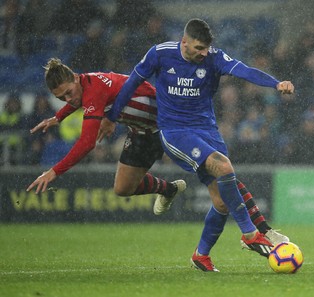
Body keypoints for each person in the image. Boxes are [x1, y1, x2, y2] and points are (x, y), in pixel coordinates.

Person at [98, 18, 294, 272]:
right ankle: (250, 234)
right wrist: (111, 117)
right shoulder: (160, 54)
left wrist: (275, 83)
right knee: (224, 167)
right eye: (199, 48)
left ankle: (201, 255)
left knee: (222, 202)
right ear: (185, 42)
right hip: (175, 131)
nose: (204, 53)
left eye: (206, 48)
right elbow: (133, 81)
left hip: (207, 131)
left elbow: (244, 70)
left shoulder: (214, 57)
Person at [26, 58, 187, 209]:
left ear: (75, 77)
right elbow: (78, 98)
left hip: (167, 123)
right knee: (123, 188)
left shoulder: (93, 91)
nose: (67, 99)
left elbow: (87, 143)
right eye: (61, 98)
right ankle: (169, 189)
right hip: (141, 131)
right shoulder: (85, 83)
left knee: (203, 162)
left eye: (68, 92)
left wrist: (54, 171)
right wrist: (59, 116)